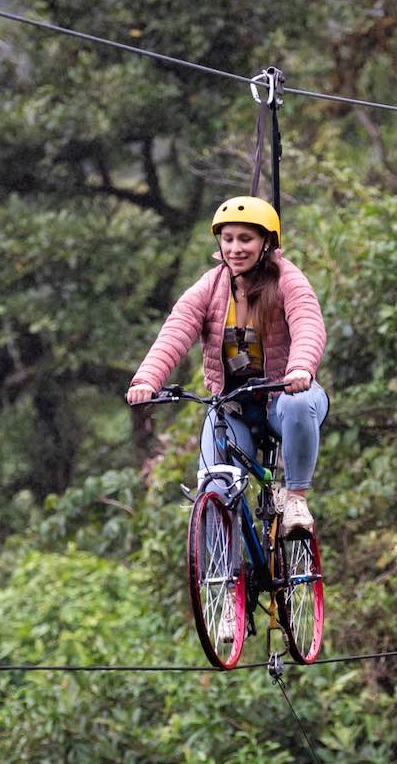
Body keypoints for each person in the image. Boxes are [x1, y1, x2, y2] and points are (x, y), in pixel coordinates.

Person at [127, 196, 329, 535]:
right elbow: (176, 331)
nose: (235, 248)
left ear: (267, 243)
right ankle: (225, 574)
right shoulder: (211, 285)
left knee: (299, 403)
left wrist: (301, 368)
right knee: (214, 488)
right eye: (228, 239)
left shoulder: (287, 280)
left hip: (282, 398)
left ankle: (295, 499)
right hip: (232, 407)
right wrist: (147, 379)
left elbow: (308, 323)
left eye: (245, 239)